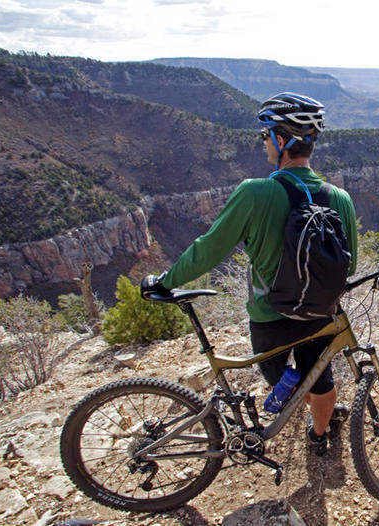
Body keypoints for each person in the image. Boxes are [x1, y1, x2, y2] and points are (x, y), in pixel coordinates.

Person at [140, 92, 358, 455]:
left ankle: (303, 414)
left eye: (266, 134)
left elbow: (208, 250)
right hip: (320, 312)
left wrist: (164, 281)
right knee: (319, 379)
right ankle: (319, 434)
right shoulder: (341, 198)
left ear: (282, 140)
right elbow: (348, 264)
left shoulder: (254, 193)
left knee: (285, 381)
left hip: (269, 316)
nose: (263, 142)